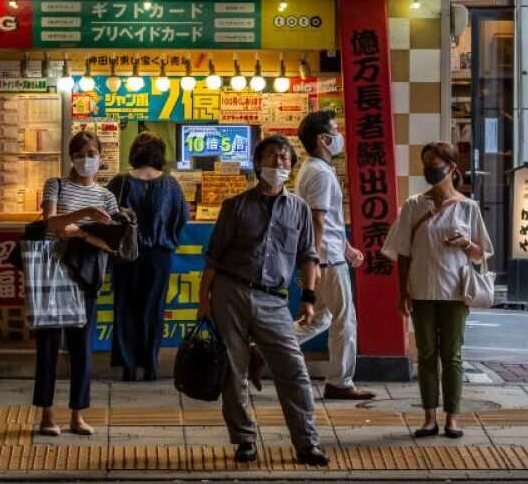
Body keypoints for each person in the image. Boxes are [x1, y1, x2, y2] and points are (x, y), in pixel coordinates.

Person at [198, 134, 329, 466]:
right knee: (233, 370)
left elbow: (308, 255)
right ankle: (243, 439)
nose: (279, 163)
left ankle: (307, 443)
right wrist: (204, 301)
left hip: (274, 300)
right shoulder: (235, 205)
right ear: (257, 164)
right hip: (231, 292)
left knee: (293, 371)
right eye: (272, 157)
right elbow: (213, 259)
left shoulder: (299, 208)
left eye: (285, 158)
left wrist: (309, 297)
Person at [383, 142, 492, 440]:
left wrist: (465, 244)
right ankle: (429, 417)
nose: (430, 168)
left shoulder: (468, 207)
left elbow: (481, 253)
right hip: (420, 288)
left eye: (435, 163)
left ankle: (453, 418)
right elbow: (402, 252)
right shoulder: (414, 205)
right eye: (426, 163)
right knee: (427, 354)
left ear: (452, 168)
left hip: (455, 290)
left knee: (452, 355)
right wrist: (401, 292)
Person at [34, 130, 119, 436]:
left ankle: (77, 414)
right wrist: (86, 217)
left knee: (82, 346)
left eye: (92, 154)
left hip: (87, 274)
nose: (86, 160)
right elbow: (51, 224)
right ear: (71, 157)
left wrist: (80, 233)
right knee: (49, 345)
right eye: (80, 154)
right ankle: (46, 414)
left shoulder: (107, 196)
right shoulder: (55, 184)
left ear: (100, 158)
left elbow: (112, 243)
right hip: (52, 272)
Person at [291, 110, 373, 400]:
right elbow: (318, 220)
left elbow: (329, 221)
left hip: (329, 255)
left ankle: (265, 348)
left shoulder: (313, 169)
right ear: (322, 139)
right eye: (335, 131)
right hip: (327, 260)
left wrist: (347, 247)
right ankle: (340, 381)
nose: (339, 136)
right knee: (344, 320)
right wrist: (316, 259)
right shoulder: (320, 174)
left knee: (319, 318)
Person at [108, 132, 188, 382]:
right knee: (153, 309)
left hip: (126, 254)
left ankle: (129, 366)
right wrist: (166, 238)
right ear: (160, 154)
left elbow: (106, 215)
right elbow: (181, 216)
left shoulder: (121, 181)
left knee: (125, 307)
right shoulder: (170, 184)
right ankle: (151, 364)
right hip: (159, 255)